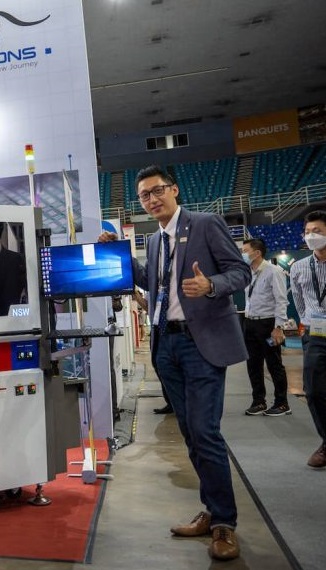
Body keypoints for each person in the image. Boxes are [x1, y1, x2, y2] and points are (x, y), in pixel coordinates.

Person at [99, 165, 249, 561]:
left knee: (204, 431)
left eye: (158, 190)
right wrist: (118, 251)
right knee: (190, 433)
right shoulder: (154, 240)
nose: (152, 199)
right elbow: (151, 280)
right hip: (166, 344)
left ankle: (224, 523)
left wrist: (211, 284)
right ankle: (212, 509)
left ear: (174, 189)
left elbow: (240, 272)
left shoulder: (205, 224)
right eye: (144, 195)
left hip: (201, 344)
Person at [288, 210, 326, 469]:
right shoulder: (299, 267)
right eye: (308, 232)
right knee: (313, 390)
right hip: (316, 334)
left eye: (318, 231)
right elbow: (299, 302)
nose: (312, 236)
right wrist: (310, 323)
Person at [241, 238, 291, 417]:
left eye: (245, 251)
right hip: (250, 323)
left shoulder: (273, 271)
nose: (242, 254)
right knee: (253, 365)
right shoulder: (248, 272)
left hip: (268, 324)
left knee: (274, 363)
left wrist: (278, 327)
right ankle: (258, 401)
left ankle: (282, 403)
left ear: (257, 253)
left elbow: (281, 300)